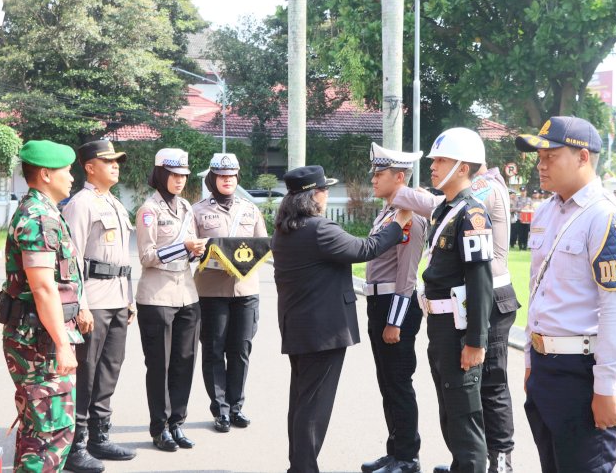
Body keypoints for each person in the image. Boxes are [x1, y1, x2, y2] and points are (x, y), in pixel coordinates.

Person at [391, 132, 520, 473]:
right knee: (450, 411)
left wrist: (476, 342)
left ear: (463, 168)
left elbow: (480, 281)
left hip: (459, 328)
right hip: (441, 326)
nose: (432, 167)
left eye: (441, 161)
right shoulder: (445, 210)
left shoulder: (472, 214)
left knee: (465, 419)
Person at [515, 116, 616, 473]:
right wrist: (529, 359)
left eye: (551, 156)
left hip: (584, 372)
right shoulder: (545, 211)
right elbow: (539, 292)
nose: (541, 165)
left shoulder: (608, 217)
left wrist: (607, 387)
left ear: (583, 157)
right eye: (539, 157)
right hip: (545, 366)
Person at [271, 165, 412, 473]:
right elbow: (366, 248)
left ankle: (298, 465)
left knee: (301, 403)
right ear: (314, 195)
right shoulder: (318, 229)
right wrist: (398, 223)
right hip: (322, 333)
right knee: (313, 408)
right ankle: (304, 469)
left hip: (300, 329)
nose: (326, 195)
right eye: (324, 190)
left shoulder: (286, 229)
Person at [0, 140, 93, 472]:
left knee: (38, 432)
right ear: (44, 174)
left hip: (40, 338)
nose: (71, 176)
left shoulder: (44, 211)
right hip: (40, 343)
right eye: (66, 170)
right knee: (49, 435)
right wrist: (62, 344)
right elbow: (42, 288)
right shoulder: (38, 217)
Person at [62, 141, 136, 473]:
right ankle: (76, 445)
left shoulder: (115, 204)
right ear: (90, 167)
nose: (115, 166)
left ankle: (99, 437)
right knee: (87, 372)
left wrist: (129, 298)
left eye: (117, 161)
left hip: (118, 299)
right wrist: (80, 304)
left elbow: (122, 260)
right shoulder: (81, 204)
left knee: (110, 369)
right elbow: (72, 260)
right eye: (108, 161)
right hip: (93, 301)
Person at [360, 144, 427, 473]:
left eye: (380, 173)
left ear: (399, 177)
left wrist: (394, 323)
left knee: (399, 383)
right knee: (387, 383)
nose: (374, 178)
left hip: (395, 306)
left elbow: (407, 275)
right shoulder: (389, 213)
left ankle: (408, 457)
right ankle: (394, 450)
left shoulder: (409, 218)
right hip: (378, 302)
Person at [135, 148, 207, 451]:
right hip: (157, 297)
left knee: (184, 362)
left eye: (183, 176)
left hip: (187, 295)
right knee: (160, 365)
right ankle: (159, 427)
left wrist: (195, 251)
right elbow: (147, 256)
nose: (179, 181)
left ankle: (177, 422)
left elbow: (188, 250)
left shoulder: (186, 207)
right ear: (161, 174)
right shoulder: (148, 210)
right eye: (174, 175)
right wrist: (184, 246)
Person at [193, 153, 267, 432]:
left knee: (241, 349)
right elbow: (189, 249)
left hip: (246, 290)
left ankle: (236, 407)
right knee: (214, 350)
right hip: (211, 290)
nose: (227, 180)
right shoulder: (197, 211)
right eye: (222, 176)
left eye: (232, 176)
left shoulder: (250, 210)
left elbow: (262, 245)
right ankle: (220, 410)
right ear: (213, 178)